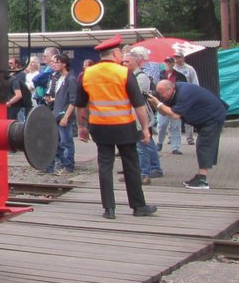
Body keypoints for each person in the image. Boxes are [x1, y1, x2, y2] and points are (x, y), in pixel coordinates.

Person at [75, 34, 156, 219]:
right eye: (120, 52)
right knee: (131, 165)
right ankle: (138, 206)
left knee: (105, 165)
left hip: (99, 127)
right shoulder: (123, 73)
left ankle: (109, 209)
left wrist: (82, 126)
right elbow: (138, 104)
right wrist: (145, 128)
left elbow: (80, 104)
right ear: (115, 53)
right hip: (124, 127)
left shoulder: (86, 74)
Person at [153, 78, 228, 190]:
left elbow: (175, 115)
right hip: (205, 117)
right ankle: (200, 176)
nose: (160, 96)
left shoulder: (184, 93)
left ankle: (202, 180)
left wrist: (157, 103)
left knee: (204, 145)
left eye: (161, 93)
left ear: (170, 89)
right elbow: (164, 113)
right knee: (203, 145)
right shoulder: (173, 92)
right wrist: (155, 103)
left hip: (213, 117)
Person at [123, 48, 163, 182]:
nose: (124, 64)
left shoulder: (141, 77)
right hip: (131, 113)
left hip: (139, 114)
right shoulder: (129, 76)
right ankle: (151, 168)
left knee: (142, 143)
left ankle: (145, 172)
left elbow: (135, 96)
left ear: (136, 62)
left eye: (127, 62)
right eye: (123, 62)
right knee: (145, 142)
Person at [46, 53, 78, 174]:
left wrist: (66, 116)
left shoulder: (71, 79)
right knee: (57, 141)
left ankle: (68, 165)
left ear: (64, 64)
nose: (53, 65)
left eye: (57, 62)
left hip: (64, 115)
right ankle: (61, 164)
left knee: (66, 141)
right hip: (57, 113)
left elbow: (73, 100)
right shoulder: (59, 78)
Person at [158, 56, 187, 153]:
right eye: (167, 62)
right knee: (162, 125)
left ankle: (175, 147)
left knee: (176, 126)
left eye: (170, 62)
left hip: (175, 104)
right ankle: (159, 142)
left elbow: (183, 89)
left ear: (174, 63)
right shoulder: (159, 75)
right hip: (163, 104)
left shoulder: (180, 76)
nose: (168, 64)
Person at [172, 53, 200, 145]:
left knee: (188, 117)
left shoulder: (189, 69)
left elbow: (195, 82)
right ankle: (172, 138)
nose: (176, 59)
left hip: (187, 95)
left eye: (178, 57)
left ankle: (190, 138)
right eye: (175, 57)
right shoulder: (172, 68)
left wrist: (194, 94)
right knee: (174, 117)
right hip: (175, 96)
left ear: (183, 58)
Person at [6, 57, 32, 122]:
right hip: (11, 104)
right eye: (8, 63)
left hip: (19, 104)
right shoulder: (10, 75)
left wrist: (10, 102)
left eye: (11, 63)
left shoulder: (20, 75)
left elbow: (19, 93)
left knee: (19, 122)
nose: (9, 65)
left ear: (16, 64)